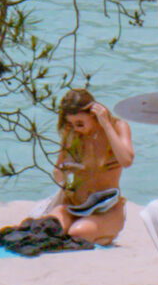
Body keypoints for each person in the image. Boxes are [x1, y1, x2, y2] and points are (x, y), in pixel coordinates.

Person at [45, 88, 133, 243]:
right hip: (74, 206)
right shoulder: (71, 133)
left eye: (80, 124)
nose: (76, 129)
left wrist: (105, 124)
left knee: (78, 233)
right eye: (71, 124)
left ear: (93, 116)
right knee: (48, 228)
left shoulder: (117, 126)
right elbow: (57, 173)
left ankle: (101, 232)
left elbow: (126, 160)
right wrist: (63, 171)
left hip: (106, 210)